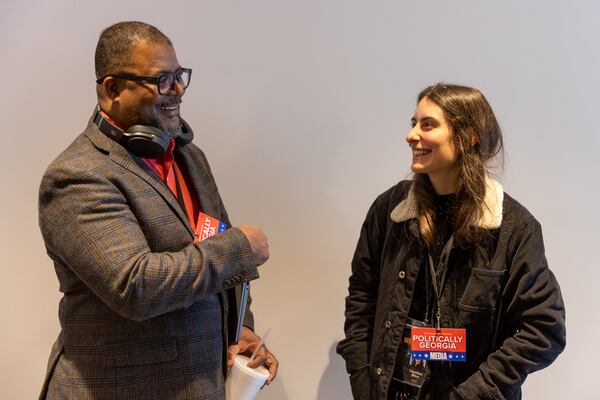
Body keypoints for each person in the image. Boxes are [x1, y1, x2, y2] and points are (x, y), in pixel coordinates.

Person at [38, 21, 277, 399]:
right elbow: (136, 286)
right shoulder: (77, 176)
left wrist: (238, 328)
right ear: (113, 88)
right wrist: (239, 249)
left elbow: (209, 237)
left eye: (179, 75)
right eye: (161, 79)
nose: (178, 89)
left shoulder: (187, 156)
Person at [337, 83, 566, 400]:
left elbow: (544, 329)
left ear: (468, 136)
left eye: (428, 124)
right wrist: (363, 382)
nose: (412, 135)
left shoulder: (514, 227)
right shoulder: (389, 211)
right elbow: (362, 299)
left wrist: (472, 394)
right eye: (413, 123)